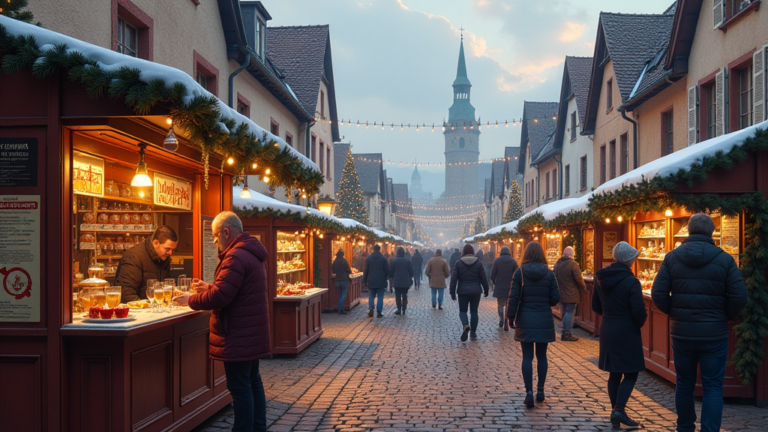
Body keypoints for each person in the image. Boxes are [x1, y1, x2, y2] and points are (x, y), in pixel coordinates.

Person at [173, 211, 270, 432]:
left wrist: (191, 300)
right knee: (253, 382)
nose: (216, 242)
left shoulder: (235, 256)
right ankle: (258, 427)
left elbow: (222, 297)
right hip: (250, 332)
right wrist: (210, 287)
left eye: (216, 236)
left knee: (240, 388)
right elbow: (235, 290)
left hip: (237, 333)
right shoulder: (249, 252)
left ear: (226, 232)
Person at [652, 213, 748, 432]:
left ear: (688, 231)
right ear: (711, 232)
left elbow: (658, 293)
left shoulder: (672, 257)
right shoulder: (724, 259)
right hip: (714, 333)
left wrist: (674, 312)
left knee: (684, 383)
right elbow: (740, 296)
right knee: (713, 386)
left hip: (682, 331)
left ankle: (685, 427)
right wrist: (724, 316)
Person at [592, 242, 647, 429]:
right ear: (628, 259)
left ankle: (616, 411)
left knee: (615, 373)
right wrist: (637, 323)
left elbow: (595, 306)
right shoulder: (631, 281)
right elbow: (638, 310)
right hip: (627, 330)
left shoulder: (601, 278)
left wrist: (609, 316)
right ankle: (619, 410)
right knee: (631, 372)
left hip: (608, 328)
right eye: (632, 258)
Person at [507, 241, 560, 408]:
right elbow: (554, 298)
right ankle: (541, 390)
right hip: (543, 318)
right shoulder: (549, 274)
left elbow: (514, 296)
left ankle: (528, 392)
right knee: (542, 356)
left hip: (525, 317)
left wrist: (510, 316)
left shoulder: (520, 273)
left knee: (527, 357)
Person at [115, 225, 178, 302]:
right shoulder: (134, 256)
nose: (170, 253)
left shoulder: (163, 258)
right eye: (167, 249)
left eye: (173, 250)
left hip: (155, 309)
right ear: (155, 243)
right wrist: (142, 308)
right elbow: (126, 293)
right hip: (138, 311)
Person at [450, 244, 490, 342]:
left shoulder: (458, 263)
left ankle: (465, 324)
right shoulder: (479, 263)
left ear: (463, 252)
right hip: (476, 291)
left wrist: (452, 291)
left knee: (463, 311)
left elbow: (454, 278)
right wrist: (486, 289)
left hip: (463, 291)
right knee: (474, 312)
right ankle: (473, 332)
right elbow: (483, 277)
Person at [553, 246, 587, 341]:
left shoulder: (558, 264)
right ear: (571, 254)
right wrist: (583, 288)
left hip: (561, 293)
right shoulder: (572, 264)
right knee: (569, 312)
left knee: (564, 312)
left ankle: (564, 331)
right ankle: (566, 332)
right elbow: (579, 279)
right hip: (571, 293)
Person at [490, 245, 519, 331]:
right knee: (508, 304)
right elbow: (517, 274)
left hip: (500, 286)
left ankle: (501, 318)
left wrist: (495, 283)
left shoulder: (497, 261)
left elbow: (492, 275)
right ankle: (506, 319)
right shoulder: (513, 261)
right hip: (511, 287)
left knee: (500, 304)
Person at [363, 244, 389, 318]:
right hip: (381, 281)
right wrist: (385, 277)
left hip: (371, 280)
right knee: (380, 297)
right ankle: (379, 312)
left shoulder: (368, 258)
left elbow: (366, 270)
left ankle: (371, 309)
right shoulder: (383, 259)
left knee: (371, 295)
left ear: (373, 249)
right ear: (379, 249)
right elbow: (387, 270)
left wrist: (364, 281)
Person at [389, 247, 414, 315]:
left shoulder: (394, 260)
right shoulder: (408, 261)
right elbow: (411, 272)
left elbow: (392, 271)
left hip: (397, 281)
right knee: (404, 294)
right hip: (406, 281)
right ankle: (404, 308)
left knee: (398, 295)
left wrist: (390, 277)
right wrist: (409, 276)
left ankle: (399, 309)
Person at [332, 250, 352, 315]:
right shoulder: (344, 261)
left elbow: (333, 270)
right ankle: (340, 309)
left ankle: (340, 309)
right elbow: (349, 270)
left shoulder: (335, 262)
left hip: (337, 280)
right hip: (344, 279)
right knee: (343, 295)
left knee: (340, 295)